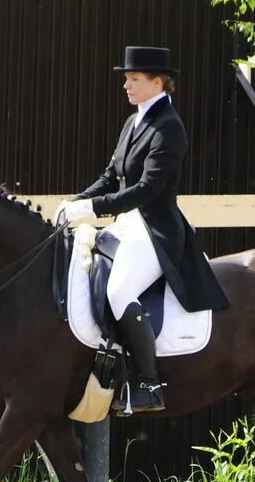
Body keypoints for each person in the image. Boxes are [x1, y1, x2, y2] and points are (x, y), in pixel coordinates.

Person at [56, 45, 229, 414]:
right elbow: (110, 176)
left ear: (158, 82)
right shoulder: (135, 122)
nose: (126, 85)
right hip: (127, 226)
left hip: (156, 230)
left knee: (119, 292)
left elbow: (147, 190)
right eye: (126, 79)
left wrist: (93, 208)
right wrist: (76, 201)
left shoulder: (169, 128)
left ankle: (149, 384)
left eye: (133, 79)